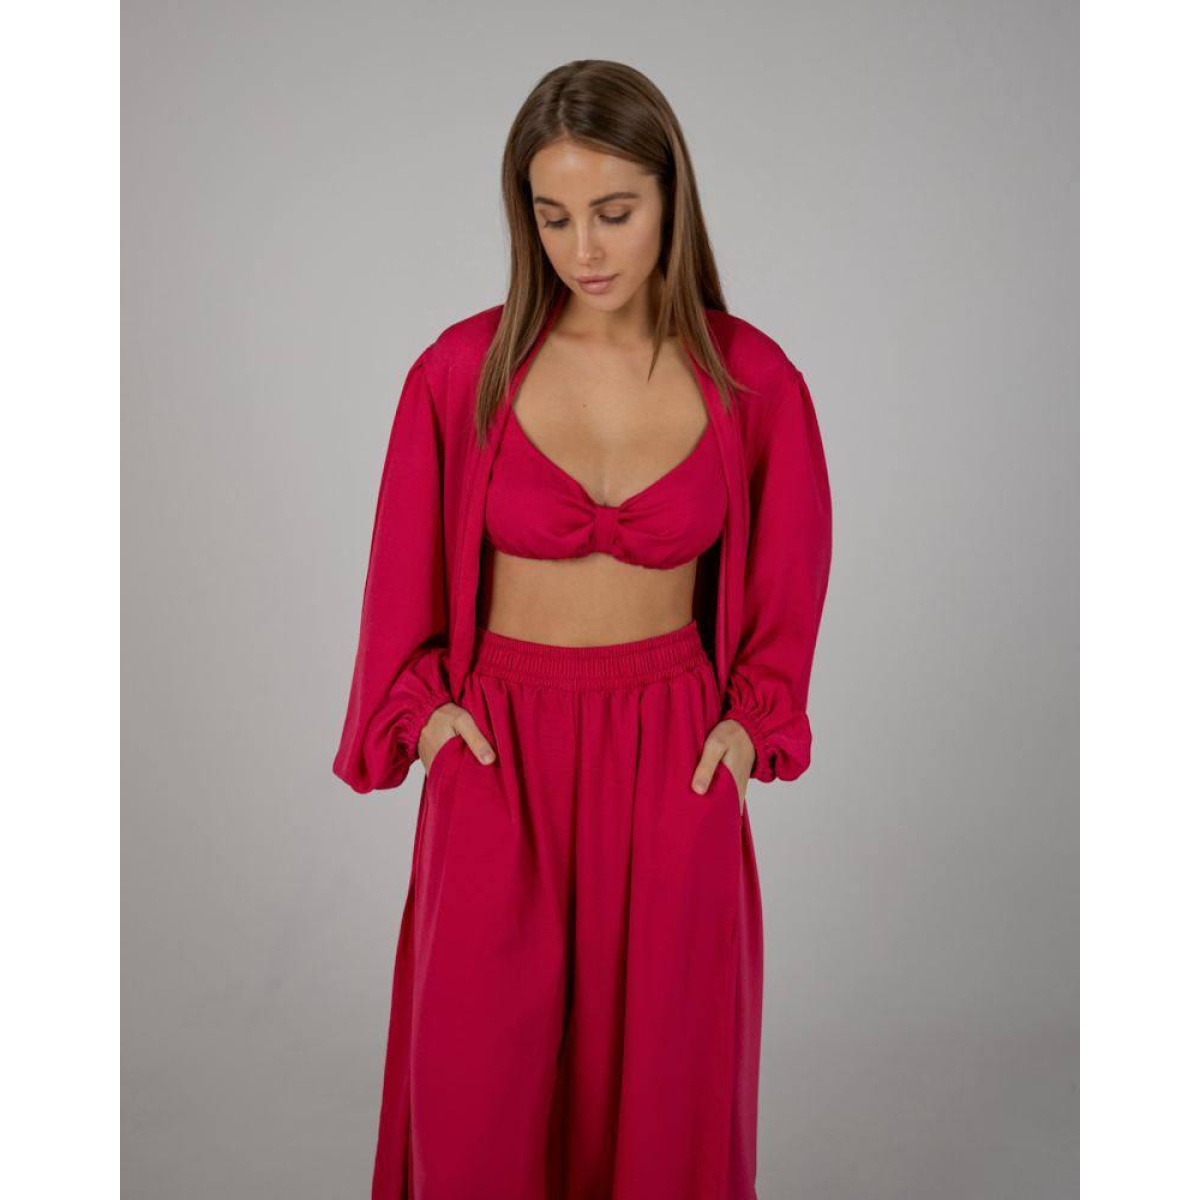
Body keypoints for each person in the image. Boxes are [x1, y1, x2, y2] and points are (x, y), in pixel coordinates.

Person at [332, 59, 833, 1200]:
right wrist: (428, 720)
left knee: (668, 1090)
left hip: (674, 754)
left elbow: (792, 580)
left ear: (671, 198)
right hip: (498, 749)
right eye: (552, 217)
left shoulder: (752, 380)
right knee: (477, 1092)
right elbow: (398, 575)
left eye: (614, 212)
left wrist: (748, 730)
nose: (584, 249)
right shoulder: (462, 370)